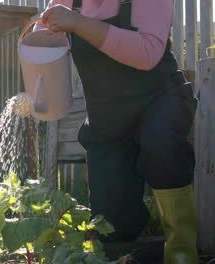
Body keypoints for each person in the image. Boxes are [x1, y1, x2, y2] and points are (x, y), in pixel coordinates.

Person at [36, 0, 198, 263]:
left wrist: (79, 23)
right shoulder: (67, 3)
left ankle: (182, 252)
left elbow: (146, 54)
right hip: (107, 118)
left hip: (159, 100)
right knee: (112, 225)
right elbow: (42, 40)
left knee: (162, 145)